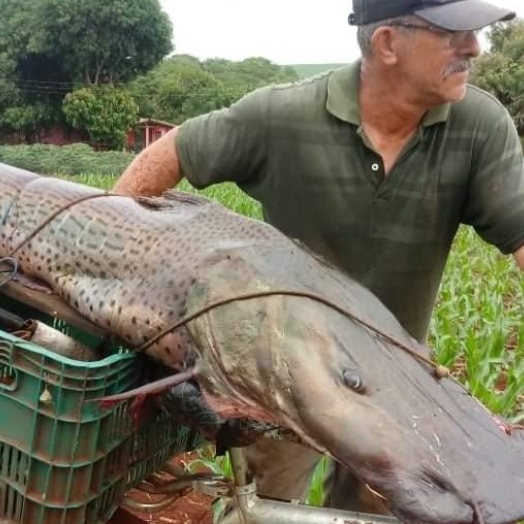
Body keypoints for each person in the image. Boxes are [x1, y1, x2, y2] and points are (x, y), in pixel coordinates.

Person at [114, 0, 523, 514]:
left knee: (378, 512)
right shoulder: (283, 115)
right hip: (282, 378)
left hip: (392, 387)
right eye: (454, 34)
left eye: (476, 34)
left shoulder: (479, 126)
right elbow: (172, 152)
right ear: (388, 44)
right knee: (264, 506)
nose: (474, 48)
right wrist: (114, 239)